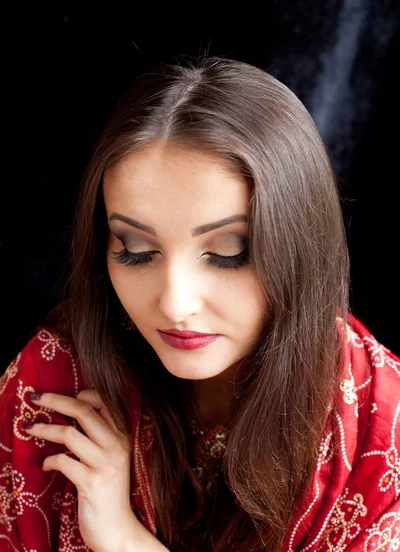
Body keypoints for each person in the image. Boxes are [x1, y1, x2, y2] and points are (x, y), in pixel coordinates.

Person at [0, 57, 399, 552]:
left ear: (300, 246)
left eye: (230, 253)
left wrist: (122, 540)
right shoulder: (53, 385)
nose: (174, 303)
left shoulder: (379, 424)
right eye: (135, 251)